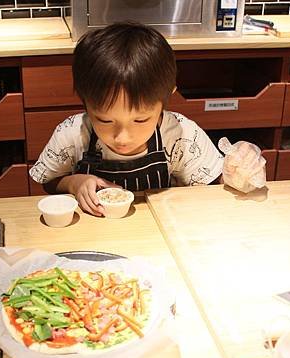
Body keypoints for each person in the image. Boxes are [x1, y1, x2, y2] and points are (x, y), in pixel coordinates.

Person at [29, 22, 264, 216]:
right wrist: (74, 183)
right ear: (85, 102)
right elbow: (49, 181)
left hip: (164, 231)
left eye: (140, 120)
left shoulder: (180, 135)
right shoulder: (72, 134)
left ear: (165, 99)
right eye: (105, 120)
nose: (122, 137)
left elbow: (211, 184)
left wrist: (238, 171)